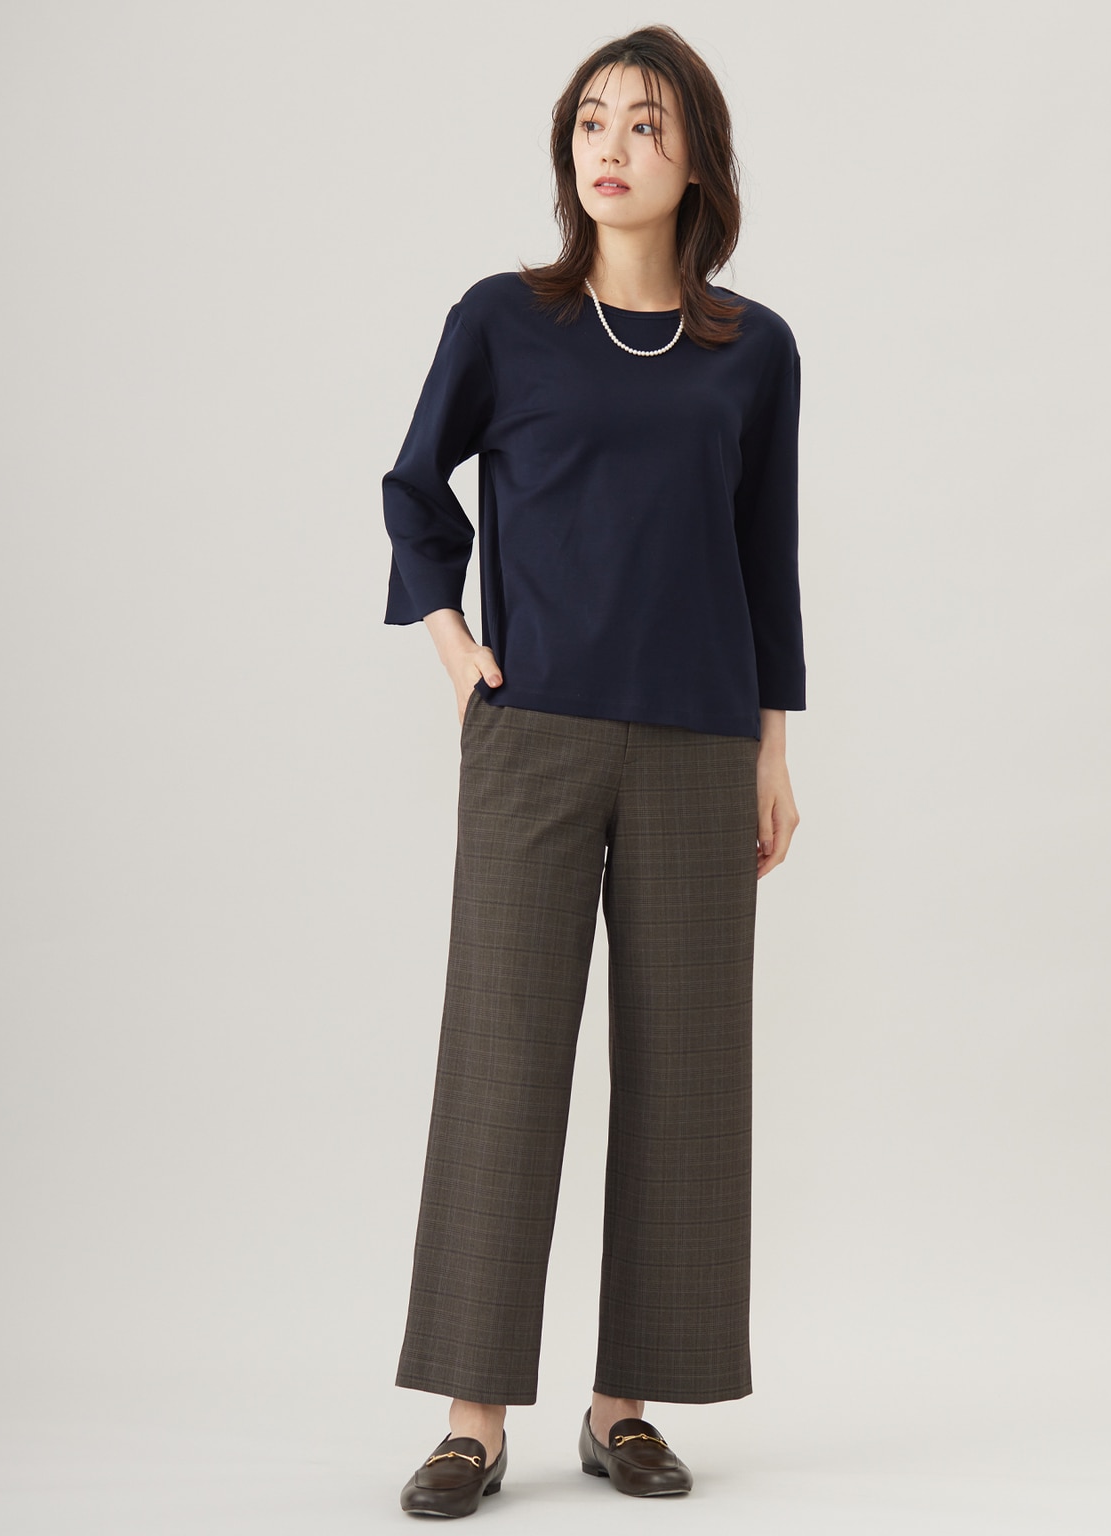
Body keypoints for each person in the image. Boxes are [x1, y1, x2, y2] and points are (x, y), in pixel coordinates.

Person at [381, 24, 806, 1519]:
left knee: (688, 1070)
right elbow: (413, 485)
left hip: (700, 738)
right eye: (591, 121)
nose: (612, 145)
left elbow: (765, 554)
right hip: (536, 735)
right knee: (502, 1060)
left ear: (699, 159)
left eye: (646, 121)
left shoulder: (752, 349)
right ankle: (473, 1418)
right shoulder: (505, 320)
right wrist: (454, 647)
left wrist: (772, 747)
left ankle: (625, 1407)